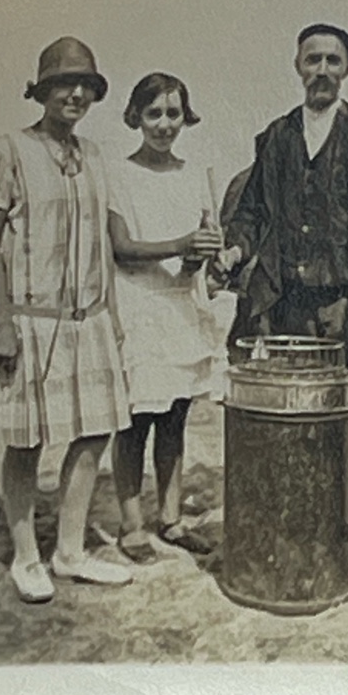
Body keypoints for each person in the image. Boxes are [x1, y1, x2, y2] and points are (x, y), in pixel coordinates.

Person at [221, 24, 348, 567]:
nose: (322, 70)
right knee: (292, 414)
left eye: (333, 60)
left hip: (344, 304)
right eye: (312, 60)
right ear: (297, 67)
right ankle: (299, 519)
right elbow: (252, 212)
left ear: (347, 68)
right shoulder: (275, 137)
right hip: (284, 303)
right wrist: (235, 249)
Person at [0, 37, 133, 602]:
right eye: (63, 84)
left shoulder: (93, 155)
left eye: (84, 85)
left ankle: (69, 553)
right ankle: (26, 557)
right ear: (42, 92)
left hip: (87, 320)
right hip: (30, 319)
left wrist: (111, 315)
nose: (74, 94)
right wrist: (1, 320)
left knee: (95, 431)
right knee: (25, 441)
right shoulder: (12, 149)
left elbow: (101, 247)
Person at [107, 72, 225, 563]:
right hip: (140, 305)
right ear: (136, 116)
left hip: (182, 303)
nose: (163, 124)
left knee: (175, 418)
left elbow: (201, 246)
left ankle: (171, 519)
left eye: (173, 113)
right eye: (153, 113)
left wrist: (204, 256)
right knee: (135, 421)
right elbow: (121, 248)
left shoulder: (195, 175)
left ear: (185, 117)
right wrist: (180, 245)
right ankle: (133, 525)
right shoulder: (118, 174)